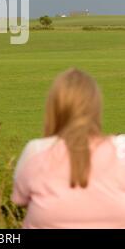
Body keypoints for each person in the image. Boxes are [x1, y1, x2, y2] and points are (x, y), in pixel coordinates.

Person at [12, 68, 125, 229]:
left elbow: (19, 199)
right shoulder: (121, 149)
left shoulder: (36, 150)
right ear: (95, 107)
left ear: (54, 108)